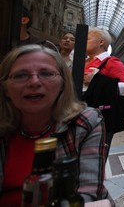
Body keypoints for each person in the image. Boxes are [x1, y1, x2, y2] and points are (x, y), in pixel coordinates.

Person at [0, 44, 112, 205]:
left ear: (62, 83)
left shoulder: (85, 122)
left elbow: (88, 191)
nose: (34, 82)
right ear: (5, 88)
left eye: (46, 73)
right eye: (20, 75)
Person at [83, 27, 124, 151]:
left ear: (101, 42)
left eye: (88, 39)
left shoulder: (112, 62)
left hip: (101, 119)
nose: (84, 41)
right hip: (80, 114)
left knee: (94, 158)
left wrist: (96, 81)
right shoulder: (82, 62)